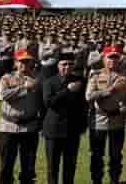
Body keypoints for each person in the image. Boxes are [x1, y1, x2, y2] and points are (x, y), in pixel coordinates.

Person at [85, 47, 126, 184]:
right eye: (110, 57)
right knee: (97, 155)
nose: (113, 60)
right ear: (104, 59)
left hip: (118, 120)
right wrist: (109, 90)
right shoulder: (96, 75)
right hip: (99, 121)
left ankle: (114, 179)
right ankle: (96, 180)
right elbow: (89, 96)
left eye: (115, 57)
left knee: (116, 155)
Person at [0, 48, 43, 184]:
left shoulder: (37, 79)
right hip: (9, 127)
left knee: (28, 167)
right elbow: (2, 95)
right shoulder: (7, 78)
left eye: (27, 61)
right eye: (21, 61)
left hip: (29, 128)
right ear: (15, 63)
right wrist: (24, 88)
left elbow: (42, 100)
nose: (24, 63)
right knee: (6, 165)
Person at [41, 54, 88, 184]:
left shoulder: (80, 81)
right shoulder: (49, 81)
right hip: (53, 129)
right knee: (52, 166)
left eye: (70, 64)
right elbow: (49, 102)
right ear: (58, 65)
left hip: (72, 129)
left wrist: (83, 125)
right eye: (64, 64)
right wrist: (67, 90)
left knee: (70, 165)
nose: (67, 67)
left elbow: (83, 105)